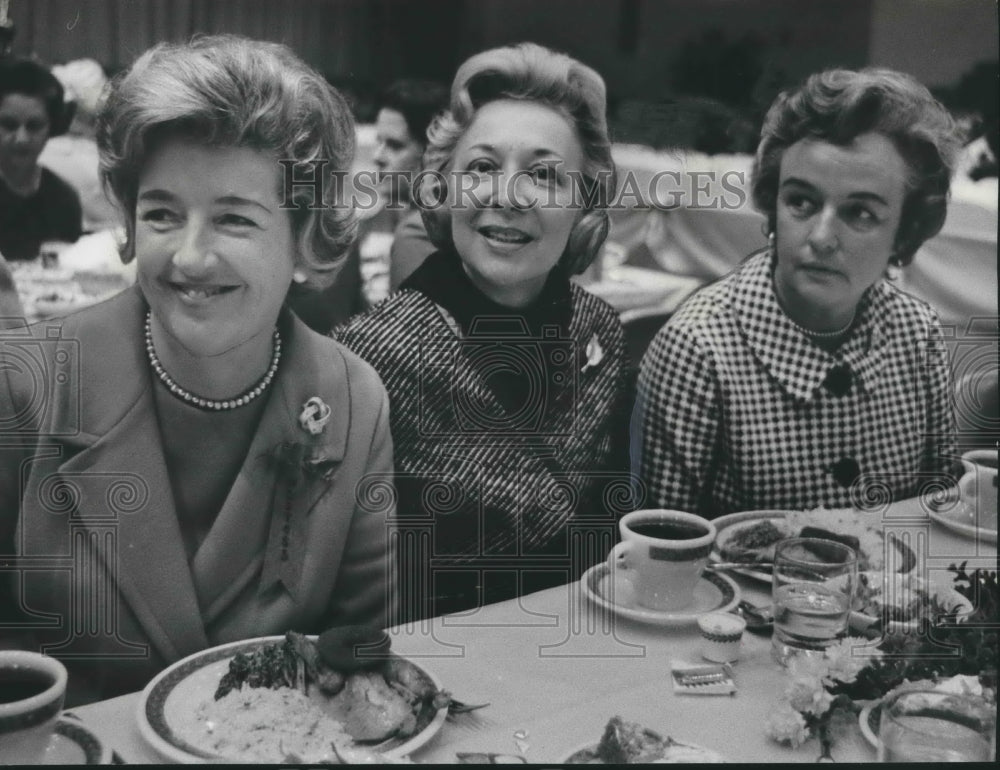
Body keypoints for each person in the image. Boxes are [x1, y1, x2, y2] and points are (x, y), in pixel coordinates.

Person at [0, 35, 395, 705]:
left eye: (234, 219)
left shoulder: (352, 401)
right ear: (127, 226)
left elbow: (359, 659)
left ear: (304, 238)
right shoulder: (27, 382)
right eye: (161, 213)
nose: (189, 257)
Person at [336, 43, 631, 622]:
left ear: (584, 204)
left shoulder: (601, 330)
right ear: (443, 187)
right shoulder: (367, 357)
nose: (507, 195)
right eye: (482, 168)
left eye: (544, 175)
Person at [634, 68, 962, 517]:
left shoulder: (917, 329)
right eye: (801, 202)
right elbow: (660, 554)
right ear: (773, 206)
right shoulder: (696, 348)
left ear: (904, 233)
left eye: (861, 213)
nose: (822, 237)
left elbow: (939, 511)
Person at [288, 78, 446, 333]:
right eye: (379, 141)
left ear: (434, 154)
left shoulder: (439, 237)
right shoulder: (367, 226)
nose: (378, 156)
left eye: (394, 145)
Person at [0, 57, 82, 261]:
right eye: (9, 125)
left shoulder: (64, 199)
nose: (21, 139)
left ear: (51, 129)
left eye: (34, 126)